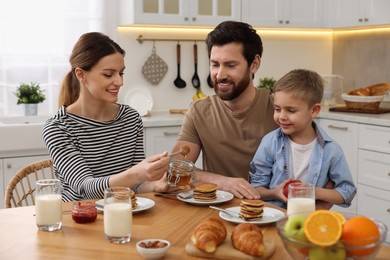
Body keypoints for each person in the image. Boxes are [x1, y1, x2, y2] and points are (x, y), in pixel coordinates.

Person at [42, 32, 172, 202]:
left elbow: (135, 185)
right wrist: (136, 173)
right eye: (109, 74)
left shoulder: (130, 118)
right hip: (79, 220)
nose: (119, 82)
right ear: (81, 74)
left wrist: (156, 185)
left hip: (122, 212)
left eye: (121, 73)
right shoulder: (58, 127)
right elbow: (85, 188)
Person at [171, 21, 278, 199]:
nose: (220, 74)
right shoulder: (199, 111)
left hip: (271, 210)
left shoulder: (278, 110)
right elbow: (176, 167)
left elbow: (318, 167)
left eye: (230, 65)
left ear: (254, 64)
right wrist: (223, 182)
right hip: (218, 208)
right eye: (215, 64)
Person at [249, 69, 356, 209]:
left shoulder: (331, 150)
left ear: (314, 110)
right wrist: (275, 193)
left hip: (309, 219)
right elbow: (256, 189)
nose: (281, 116)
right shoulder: (270, 142)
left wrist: (313, 192)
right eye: (277, 109)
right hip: (274, 216)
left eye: (291, 110)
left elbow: (347, 192)